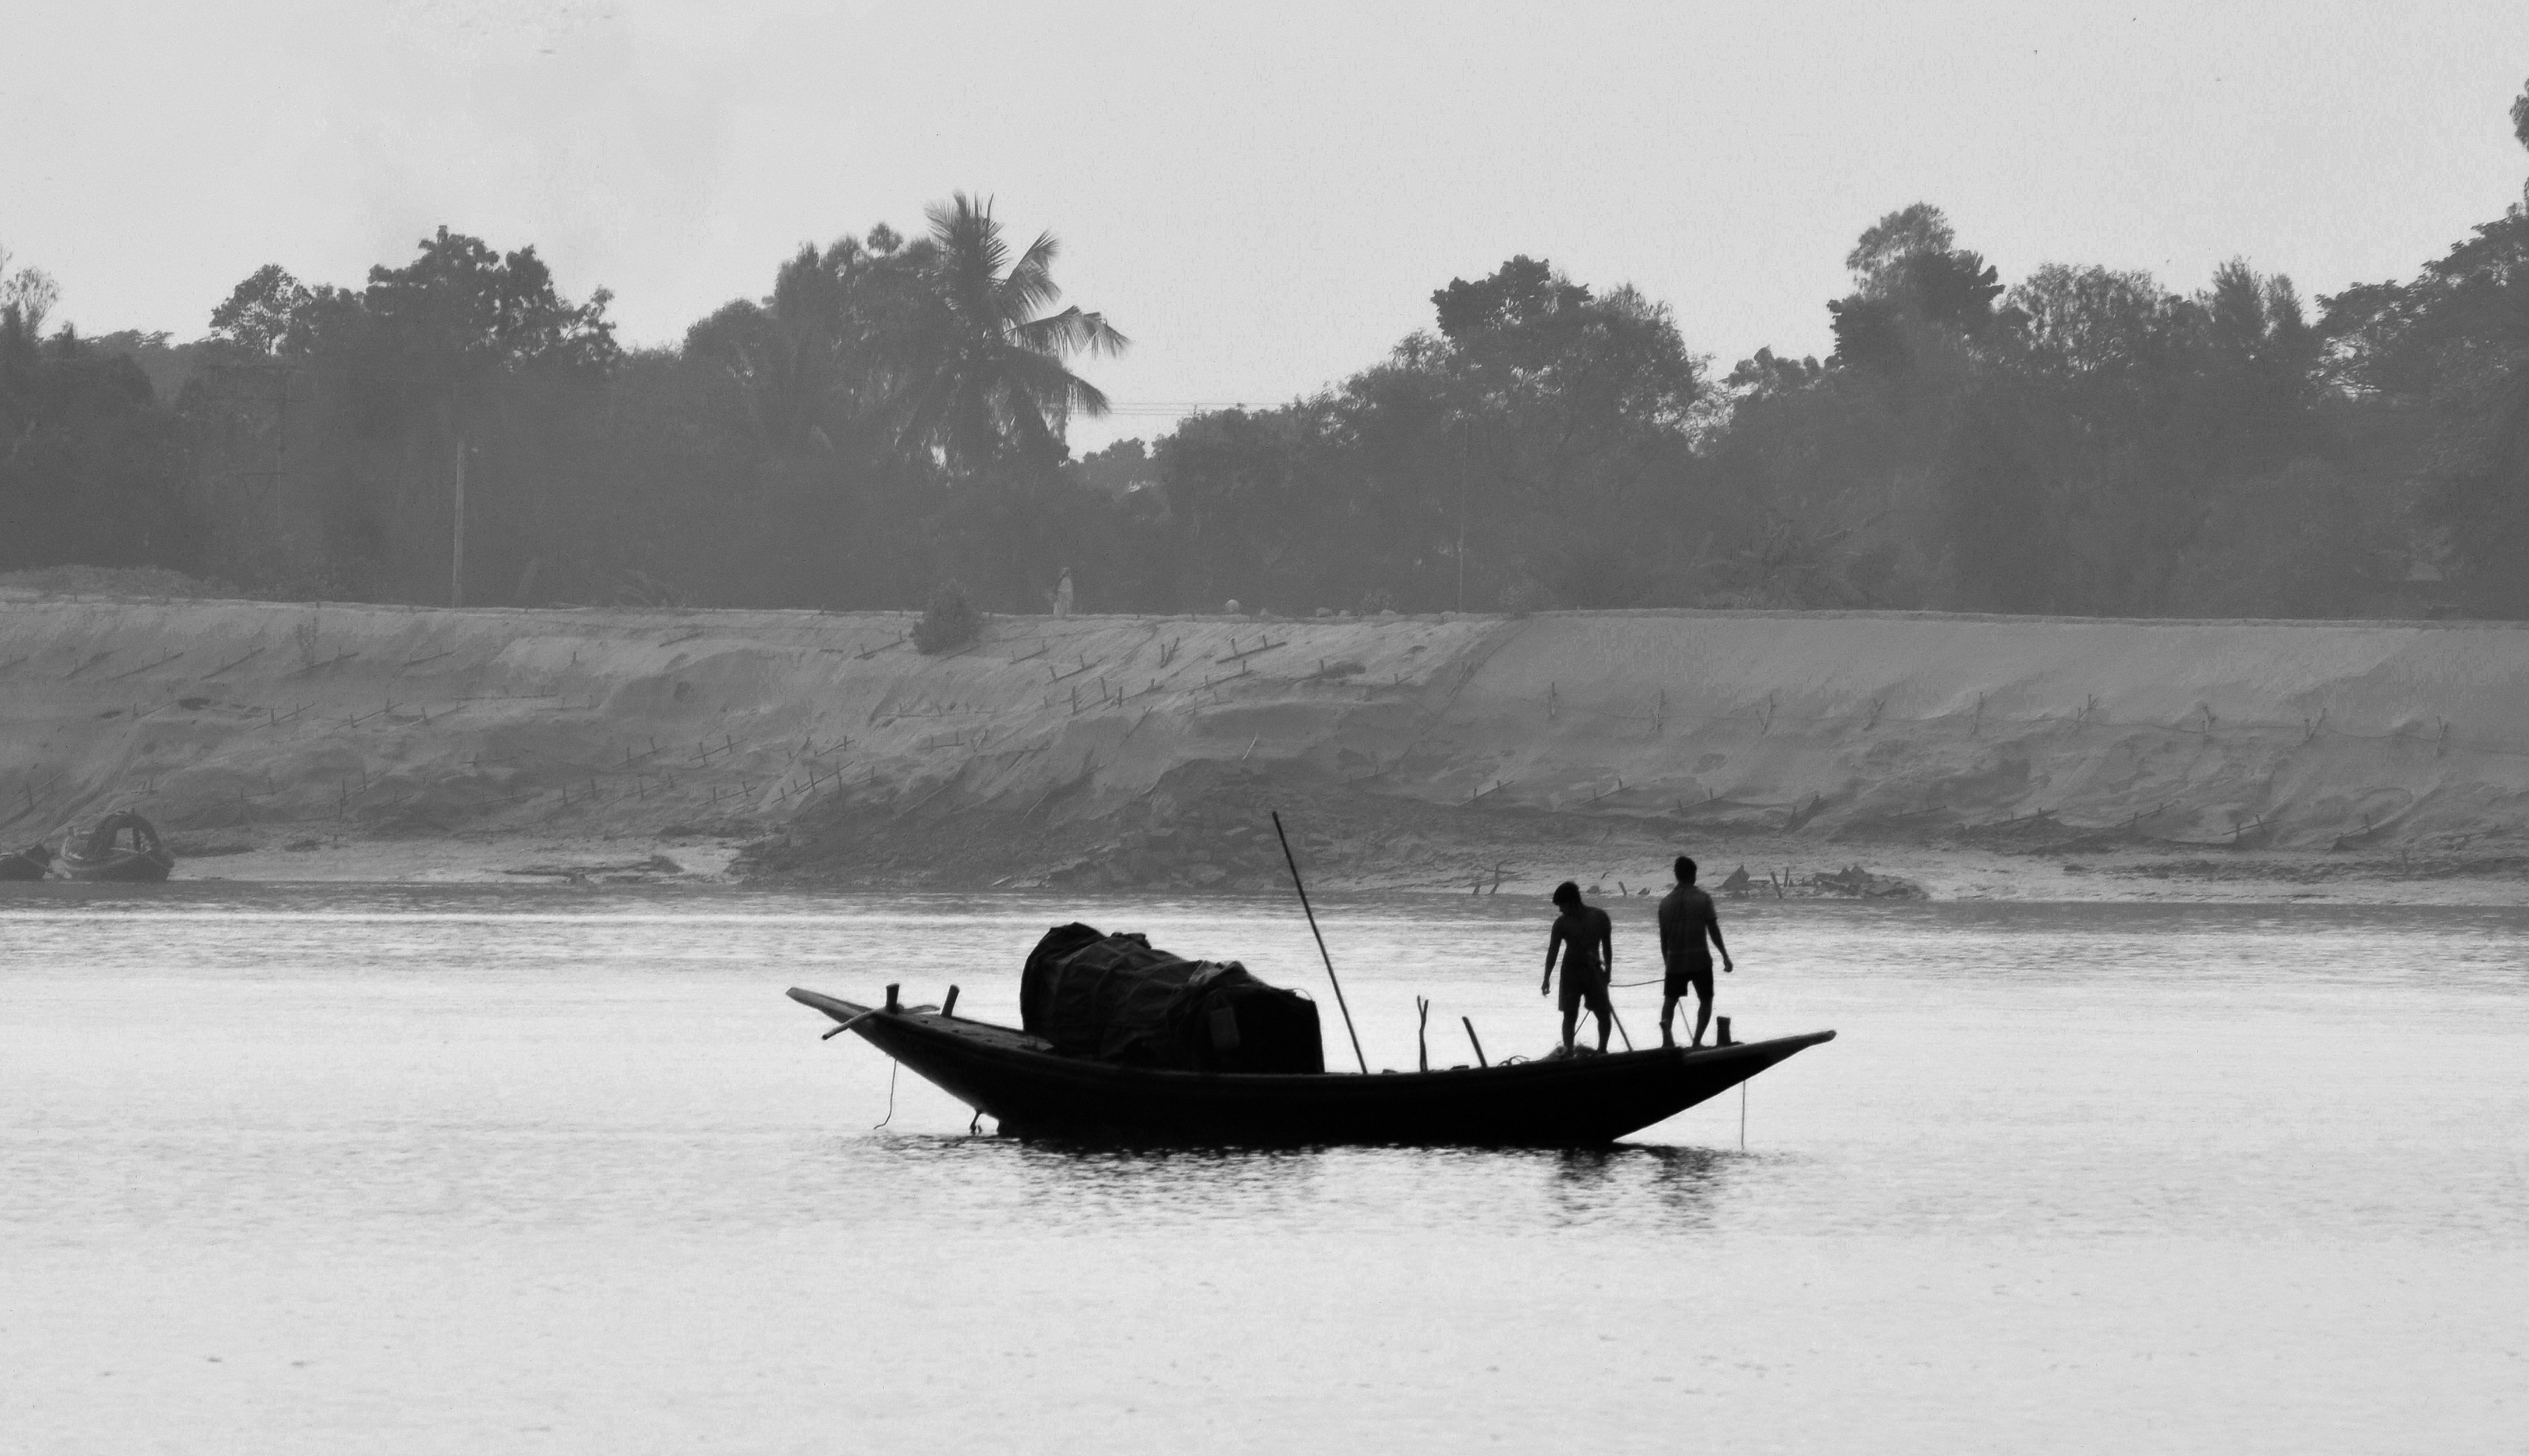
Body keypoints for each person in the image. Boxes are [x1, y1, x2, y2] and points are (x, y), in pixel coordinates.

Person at [1657, 855, 1733, 1048]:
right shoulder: (1703, 899)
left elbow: (1664, 939)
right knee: (1706, 1001)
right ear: (1694, 875)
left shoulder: (1665, 904)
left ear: (1676, 876)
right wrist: (1725, 956)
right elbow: (1713, 931)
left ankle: (1667, 1037)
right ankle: (1697, 1042)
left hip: (1675, 961)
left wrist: (1668, 962)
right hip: (1700, 961)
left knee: (1670, 1001)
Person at [1541, 881, 1614, 1055]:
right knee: (1570, 1015)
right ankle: (1569, 1052)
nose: (1560, 910)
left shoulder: (1599, 917)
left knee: (1603, 1014)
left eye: (1562, 905)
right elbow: (1553, 952)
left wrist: (1608, 972)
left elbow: (1607, 947)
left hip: (1594, 972)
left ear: (1572, 902)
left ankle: (1603, 1050)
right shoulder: (1561, 923)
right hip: (1571, 973)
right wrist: (1546, 979)